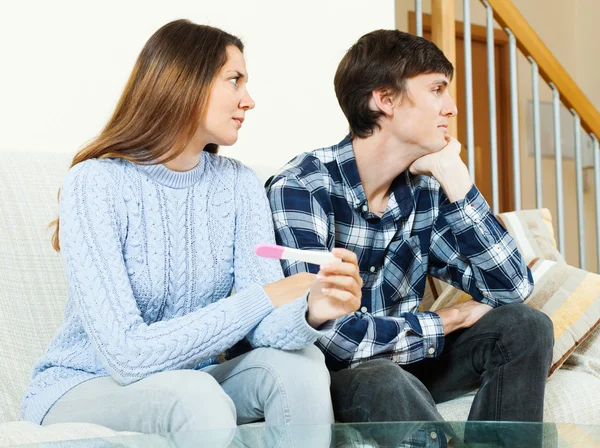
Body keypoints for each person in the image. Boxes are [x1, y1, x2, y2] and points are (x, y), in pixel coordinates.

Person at [21, 19, 362, 435]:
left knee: (302, 367)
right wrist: (267, 296)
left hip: (191, 381)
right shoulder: (94, 182)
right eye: (234, 80)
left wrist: (311, 310)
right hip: (86, 384)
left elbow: (265, 328)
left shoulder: (237, 183)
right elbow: (126, 356)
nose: (249, 100)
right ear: (186, 81)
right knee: (195, 394)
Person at [266, 29, 554, 426]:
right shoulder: (303, 186)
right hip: (338, 376)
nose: (451, 108)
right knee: (384, 379)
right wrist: (448, 319)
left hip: (410, 359)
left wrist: (459, 186)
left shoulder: (425, 191)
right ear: (384, 101)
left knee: (526, 326)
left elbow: (512, 289)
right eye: (437, 89)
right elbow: (335, 338)